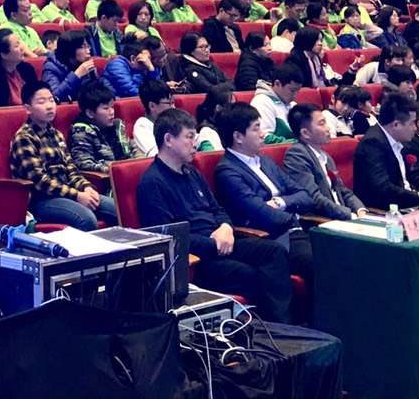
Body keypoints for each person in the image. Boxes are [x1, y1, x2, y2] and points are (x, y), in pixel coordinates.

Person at [136, 108, 294, 322]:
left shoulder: (192, 172)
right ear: (169, 140)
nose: (195, 143)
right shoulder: (152, 183)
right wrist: (214, 244)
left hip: (222, 241)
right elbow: (168, 236)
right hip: (196, 258)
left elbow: (218, 209)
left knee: (274, 252)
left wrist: (226, 227)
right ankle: (269, 327)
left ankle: (285, 325)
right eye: (189, 137)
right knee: (248, 273)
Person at [213, 103, 315, 278]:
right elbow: (261, 212)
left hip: (296, 230)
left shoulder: (265, 161)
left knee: (343, 250)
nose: (262, 134)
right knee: (320, 263)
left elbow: (305, 195)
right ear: (238, 136)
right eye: (256, 128)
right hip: (273, 238)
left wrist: (280, 202)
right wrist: (293, 218)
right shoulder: (227, 171)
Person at [10, 81, 117, 230]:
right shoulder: (24, 137)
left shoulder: (57, 134)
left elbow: (71, 169)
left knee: (117, 209)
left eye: (51, 100)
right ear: (28, 109)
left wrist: (86, 187)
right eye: (42, 102)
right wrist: (77, 195)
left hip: (67, 193)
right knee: (86, 219)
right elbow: (39, 181)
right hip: (41, 200)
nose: (49, 106)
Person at [282, 103, 366, 220]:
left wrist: (360, 210)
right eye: (322, 124)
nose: (328, 128)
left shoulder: (325, 156)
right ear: (305, 133)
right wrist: (349, 215)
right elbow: (313, 198)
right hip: (322, 221)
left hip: (344, 217)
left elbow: (343, 191)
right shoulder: (296, 155)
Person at [352, 92, 419, 210]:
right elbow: (382, 188)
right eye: (412, 123)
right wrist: (418, 197)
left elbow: (410, 178)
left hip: (408, 205)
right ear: (396, 124)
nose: (415, 128)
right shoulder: (372, 144)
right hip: (383, 210)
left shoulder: (401, 141)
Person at [68, 82, 139, 173]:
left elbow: (132, 149)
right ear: (90, 113)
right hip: (107, 177)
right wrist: (113, 168)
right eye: (106, 108)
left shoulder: (116, 126)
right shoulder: (81, 132)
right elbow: (84, 163)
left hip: (127, 172)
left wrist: (138, 164)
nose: (112, 112)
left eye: (112, 107)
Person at [0, 29, 38, 108]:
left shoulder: (27, 69)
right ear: (4, 55)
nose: (22, 48)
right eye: (16, 46)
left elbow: (37, 96)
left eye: (20, 43)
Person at [41, 30, 98, 103]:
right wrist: (76, 75)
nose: (88, 51)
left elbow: (96, 93)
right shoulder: (51, 67)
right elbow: (54, 97)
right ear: (70, 49)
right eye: (83, 47)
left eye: (88, 46)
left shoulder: (85, 63)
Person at [250, 65, 302, 143]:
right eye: (292, 90)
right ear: (277, 84)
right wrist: (297, 142)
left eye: (298, 91)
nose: (295, 95)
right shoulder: (262, 102)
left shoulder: (292, 104)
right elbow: (264, 138)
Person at [132, 77, 177, 157]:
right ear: (152, 106)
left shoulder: (173, 120)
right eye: (169, 103)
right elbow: (156, 155)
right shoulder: (142, 126)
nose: (173, 107)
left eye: (173, 102)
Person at [194, 86, 233, 152]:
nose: (234, 109)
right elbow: (214, 156)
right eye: (231, 105)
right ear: (218, 108)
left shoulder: (226, 125)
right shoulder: (207, 132)